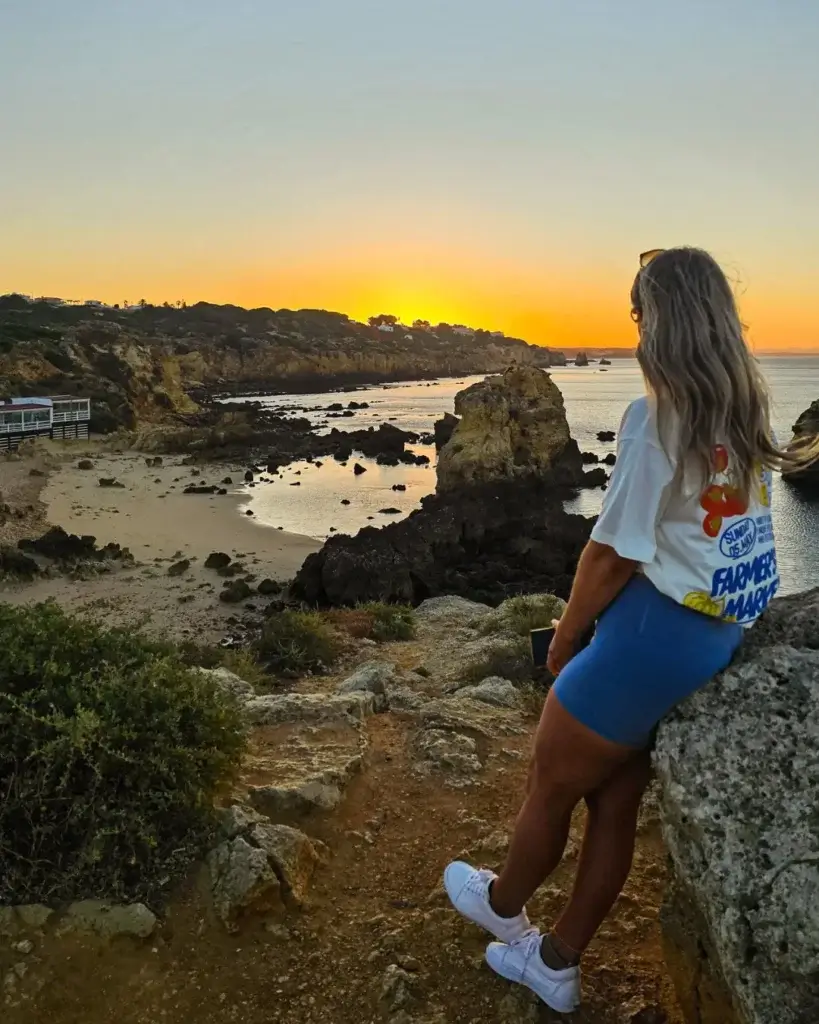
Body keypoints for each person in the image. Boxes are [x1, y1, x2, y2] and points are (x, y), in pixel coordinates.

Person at [442, 247, 819, 1014]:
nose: (634, 326)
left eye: (639, 312)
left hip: (649, 635)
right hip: (708, 634)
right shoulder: (744, 404)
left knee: (550, 785)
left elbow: (612, 549)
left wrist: (566, 634)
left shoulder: (654, 415)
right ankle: (553, 961)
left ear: (664, 321)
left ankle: (503, 903)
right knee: (611, 802)